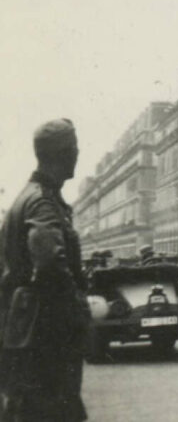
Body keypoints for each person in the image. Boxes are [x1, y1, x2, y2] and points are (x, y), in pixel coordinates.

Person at [0, 118, 88, 421]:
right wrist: (76, 310)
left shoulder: (28, 197)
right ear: (62, 153)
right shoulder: (42, 203)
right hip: (45, 338)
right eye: (74, 148)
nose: (78, 153)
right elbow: (50, 265)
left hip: (26, 330)